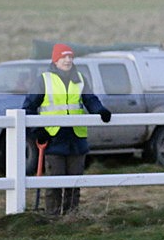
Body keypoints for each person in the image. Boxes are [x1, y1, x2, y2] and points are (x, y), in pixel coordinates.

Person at [23, 43, 111, 215]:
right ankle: (53, 216)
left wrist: (100, 110)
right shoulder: (44, 80)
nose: (68, 60)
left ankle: (72, 216)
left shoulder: (80, 78)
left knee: (75, 181)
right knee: (55, 182)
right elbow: (29, 108)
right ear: (55, 60)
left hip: (77, 139)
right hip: (53, 138)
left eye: (70, 57)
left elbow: (90, 99)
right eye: (64, 57)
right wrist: (37, 130)